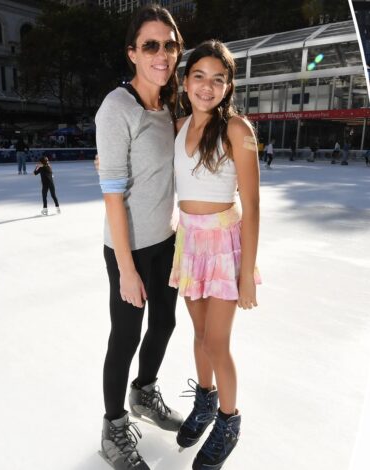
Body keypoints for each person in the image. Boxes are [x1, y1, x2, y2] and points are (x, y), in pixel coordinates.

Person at [96, 6, 184, 469]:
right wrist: (126, 270)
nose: (162, 53)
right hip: (127, 246)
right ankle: (112, 427)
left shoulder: (170, 104)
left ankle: (143, 394)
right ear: (132, 53)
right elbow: (112, 194)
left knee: (165, 324)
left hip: (165, 241)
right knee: (125, 337)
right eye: (151, 45)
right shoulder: (116, 107)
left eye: (169, 44)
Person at [169, 40, 261, 470]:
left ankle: (228, 419)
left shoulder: (238, 129)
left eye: (218, 79)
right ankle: (205, 402)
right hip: (189, 243)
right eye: (199, 77)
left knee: (218, 342)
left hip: (225, 246)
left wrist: (246, 273)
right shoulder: (178, 126)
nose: (207, 87)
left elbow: (254, 205)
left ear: (229, 85)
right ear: (185, 81)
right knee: (199, 334)